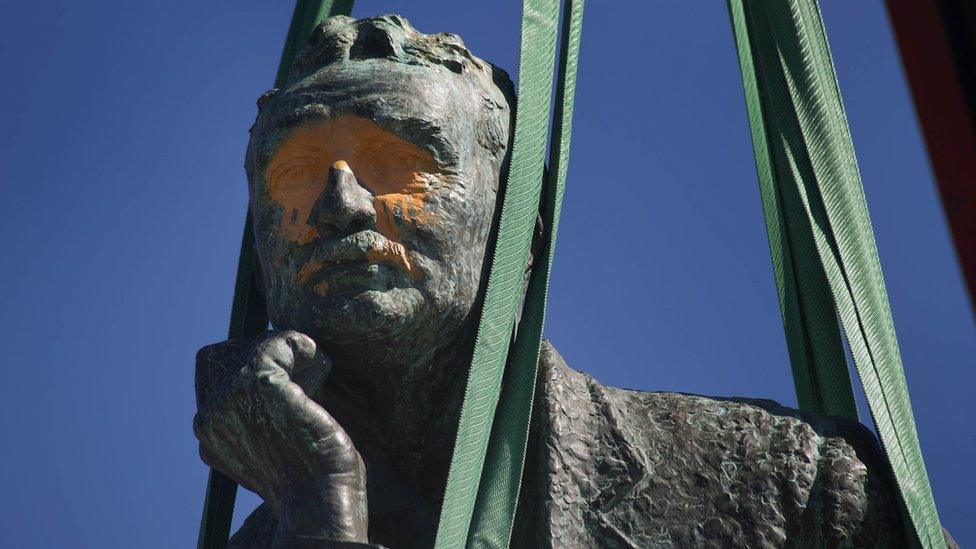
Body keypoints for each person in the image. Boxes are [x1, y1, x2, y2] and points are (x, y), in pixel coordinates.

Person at [194, 15, 915, 548]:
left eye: (398, 160)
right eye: (295, 173)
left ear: (520, 225)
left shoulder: (793, 487)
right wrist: (320, 517)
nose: (339, 204)